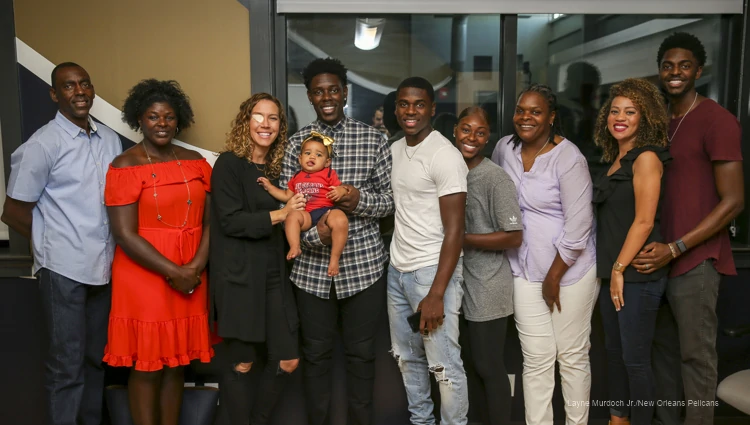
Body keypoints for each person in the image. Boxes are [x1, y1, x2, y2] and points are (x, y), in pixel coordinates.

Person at [632, 32, 744, 425]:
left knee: (695, 358)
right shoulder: (660, 121)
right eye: (667, 65)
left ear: (699, 69)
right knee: (660, 354)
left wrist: (677, 247)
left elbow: (734, 201)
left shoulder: (717, 120)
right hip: (654, 260)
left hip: (695, 258)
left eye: (684, 65)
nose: (675, 72)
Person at [1, 62, 121, 425]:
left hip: (104, 269)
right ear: (55, 95)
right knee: (66, 365)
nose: (79, 91)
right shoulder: (42, 145)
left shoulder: (110, 140)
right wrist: (52, 245)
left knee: (95, 360)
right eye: (68, 86)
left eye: (84, 83)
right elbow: (13, 212)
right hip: (63, 271)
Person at [280, 57, 394, 425]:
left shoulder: (374, 138)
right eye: (318, 91)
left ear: (344, 92)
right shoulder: (296, 143)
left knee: (362, 358)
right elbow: (288, 209)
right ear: (310, 96)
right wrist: (316, 236)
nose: (326, 97)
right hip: (311, 273)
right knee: (316, 357)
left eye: (333, 90)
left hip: (363, 269)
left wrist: (355, 199)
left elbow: (389, 202)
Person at [103, 79, 213, 425]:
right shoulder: (125, 165)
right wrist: (175, 271)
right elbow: (123, 234)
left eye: (168, 117)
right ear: (139, 119)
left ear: (178, 119)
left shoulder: (196, 162)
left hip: (192, 273)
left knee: (177, 362)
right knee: (148, 365)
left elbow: (213, 222)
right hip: (145, 277)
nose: (162, 123)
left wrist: (194, 266)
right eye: (153, 117)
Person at [491, 84, 598, 425]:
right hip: (522, 270)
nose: (526, 117)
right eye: (521, 110)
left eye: (535, 112)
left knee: (571, 356)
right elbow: (493, 194)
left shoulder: (569, 158)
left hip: (570, 272)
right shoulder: (504, 148)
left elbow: (579, 226)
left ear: (551, 117)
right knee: (536, 359)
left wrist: (553, 277)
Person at [210, 93, 304, 425]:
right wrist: (282, 213)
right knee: (243, 364)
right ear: (245, 120)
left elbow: (298, 213)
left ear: (281, 126)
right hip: (239, 279)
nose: (265, 124)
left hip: (275, 275)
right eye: (258, 116)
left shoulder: (279, 169)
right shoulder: (229, 164)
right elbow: (231, 221)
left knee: (287, 360)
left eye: (273, 118)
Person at [388, 76, 469, 425]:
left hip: (433, 275)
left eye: (419, 104)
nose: (411, 111)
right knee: (408, 359)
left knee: (444, 365)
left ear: (432, 109)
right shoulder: (394, 149)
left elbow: (456, 230)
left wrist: (436, 293)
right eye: (404, 103)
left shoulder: (444, 155)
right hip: (398, 271)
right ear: (396, 109)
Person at [592, 79, 672, 425]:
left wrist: (620, 269)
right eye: (614, 111)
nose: (620, 117)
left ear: (646, 117)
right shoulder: (615, 160)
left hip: (636, 275)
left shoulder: (647, 158)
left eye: (630, 111)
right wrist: (613, 272)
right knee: (614, 355)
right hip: (614, 274)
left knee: (635, 360)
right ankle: (617, 420)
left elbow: (643, 221)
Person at [454, 106, 522, 425]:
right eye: (466, 129)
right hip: (459, 287)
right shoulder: (448, 169)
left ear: (487, 138)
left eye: (480, 132)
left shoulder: (495, 177)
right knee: (468, 364)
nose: (472, 137)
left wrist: (463, 238)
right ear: (454, 130)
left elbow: (513, 236)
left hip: (489, 286)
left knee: (488, 366)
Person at [259, 132, 349, 276]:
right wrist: (269, 187)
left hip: (327, 211)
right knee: (292, 216)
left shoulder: (328, 174)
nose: (312, 157)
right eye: (308, 153)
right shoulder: (296, 176)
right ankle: (295, 247)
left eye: (319, 155)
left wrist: (340, 191)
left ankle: (334, 259)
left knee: (341, 219)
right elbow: (286, 196)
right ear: (300, 159)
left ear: (327, 162)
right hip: (307, 214)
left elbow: (344, 188)